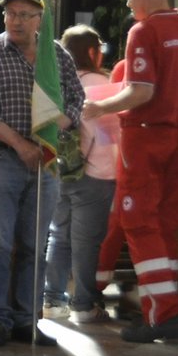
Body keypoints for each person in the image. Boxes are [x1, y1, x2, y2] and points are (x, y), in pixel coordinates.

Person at [81, 0, 178, 343]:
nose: (128, 0)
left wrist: (99, 107)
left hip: (146, 136)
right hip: (175, 138)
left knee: (138, 222)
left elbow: (140, 91)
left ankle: (160, 315)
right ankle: (171, 308)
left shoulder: (145, 29)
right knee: (164, 222)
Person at [0, 0, 85, 348]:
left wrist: (53, 133)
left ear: (40, 19)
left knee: (36, 244)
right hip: (0, 159)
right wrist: (20, 144)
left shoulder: (57, 56)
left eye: (25, 15)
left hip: (44, 162)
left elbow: (76, 100)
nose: (15, 21)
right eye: (10, 13)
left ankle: (27, 319)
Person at [43, 25, 119, 325]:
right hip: (96, 172)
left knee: (58, 234)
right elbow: (115, 134)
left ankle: (52, 300)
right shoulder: (102, 83)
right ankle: (84, 304)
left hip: (63, 169)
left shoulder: (60, 84)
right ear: (92, 52)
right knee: (87, 241)